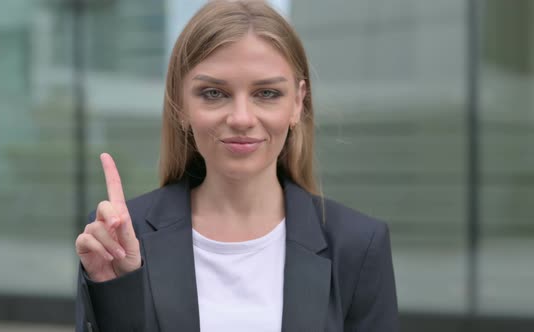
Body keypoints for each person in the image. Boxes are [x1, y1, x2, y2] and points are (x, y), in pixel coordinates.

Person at [75, 1, 399, 331]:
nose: (241, 118)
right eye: (214, 93)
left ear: (298, 102)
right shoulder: (123, 240)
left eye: (267, 93)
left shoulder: (358, 245)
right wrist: (117, 295)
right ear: (180, 103)